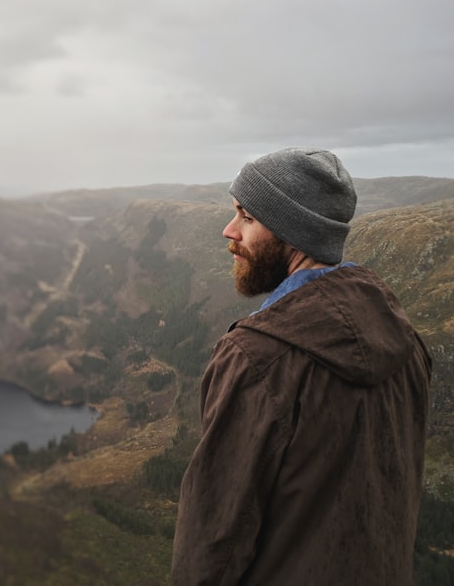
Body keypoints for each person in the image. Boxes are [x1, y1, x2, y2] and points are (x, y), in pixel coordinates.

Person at [171, 147, 432, 585]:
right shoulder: (406, 343)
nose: (228, 230)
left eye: (246, 217)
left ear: (291, 231)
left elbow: (212, 546)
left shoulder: (256, 360)